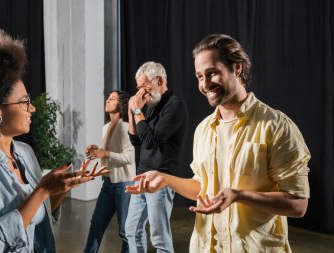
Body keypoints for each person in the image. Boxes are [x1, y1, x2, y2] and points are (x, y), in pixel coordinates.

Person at [126, 34, 311, 253]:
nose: (204, 84)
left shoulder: (277, 126)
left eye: (212, 73)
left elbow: (298, 205)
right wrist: (166, 179)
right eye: (199, 76)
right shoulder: (204, 129)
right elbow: (202, 187)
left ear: (238, 68)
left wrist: (238, 195)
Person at [0, 31, 108, 253]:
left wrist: (62, 188)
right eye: (25, 102)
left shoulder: (25, 153)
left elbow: (38, 217)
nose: (32, 108)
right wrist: (42, 190)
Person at [125, 61, 189, 253]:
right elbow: (137, 141)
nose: (141, 93)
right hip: (141, 176)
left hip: (160, 179)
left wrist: (137, 111)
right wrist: (131, 111)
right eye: (138, 89)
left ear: (158, 80)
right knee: (131, 230)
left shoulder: (175, 105)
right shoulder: (151, 105)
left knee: (159, 237)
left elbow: (151, 140)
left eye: (144, 87)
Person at [83, 90, 135, 253]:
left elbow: (129, 157)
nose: (108, 100)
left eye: (112, 99)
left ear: (121, 105)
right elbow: (110, 153)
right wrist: (97, 149)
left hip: (124, 185)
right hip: (108, 183)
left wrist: (104, 153)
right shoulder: (106, 127)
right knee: (96, 224)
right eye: (108, 98)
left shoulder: (126, 127)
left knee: (125, 232)